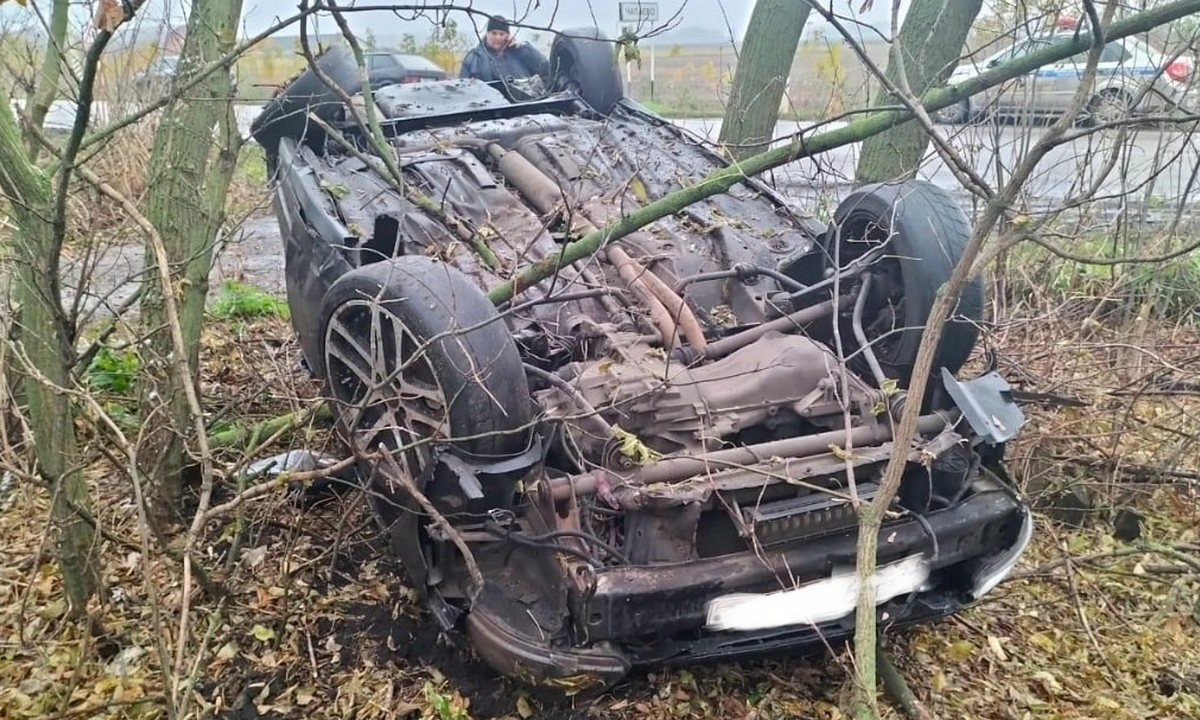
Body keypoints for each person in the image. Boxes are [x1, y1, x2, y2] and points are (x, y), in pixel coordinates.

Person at [459, 15, 550, 83]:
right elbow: (463, 89)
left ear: (508, 35)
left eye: (501, 34)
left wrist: (522, 48)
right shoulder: (473, 58)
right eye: (494, 33)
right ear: (487, 34)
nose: (498, 37)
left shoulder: (520, 53)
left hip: (520, 104)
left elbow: (544, 66)